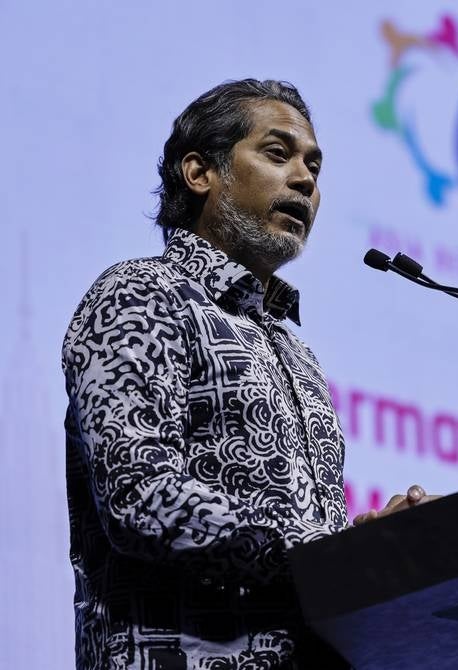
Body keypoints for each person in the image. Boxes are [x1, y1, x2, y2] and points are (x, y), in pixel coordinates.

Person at [62, 79, 429, 670]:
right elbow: (139, 496)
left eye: (314, 166)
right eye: (278, 154)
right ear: (199, 173)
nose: (305, 180)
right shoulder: (141, 296)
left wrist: (374, 545)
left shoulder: (295, 351)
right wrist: (332, 553)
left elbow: (314, 549)